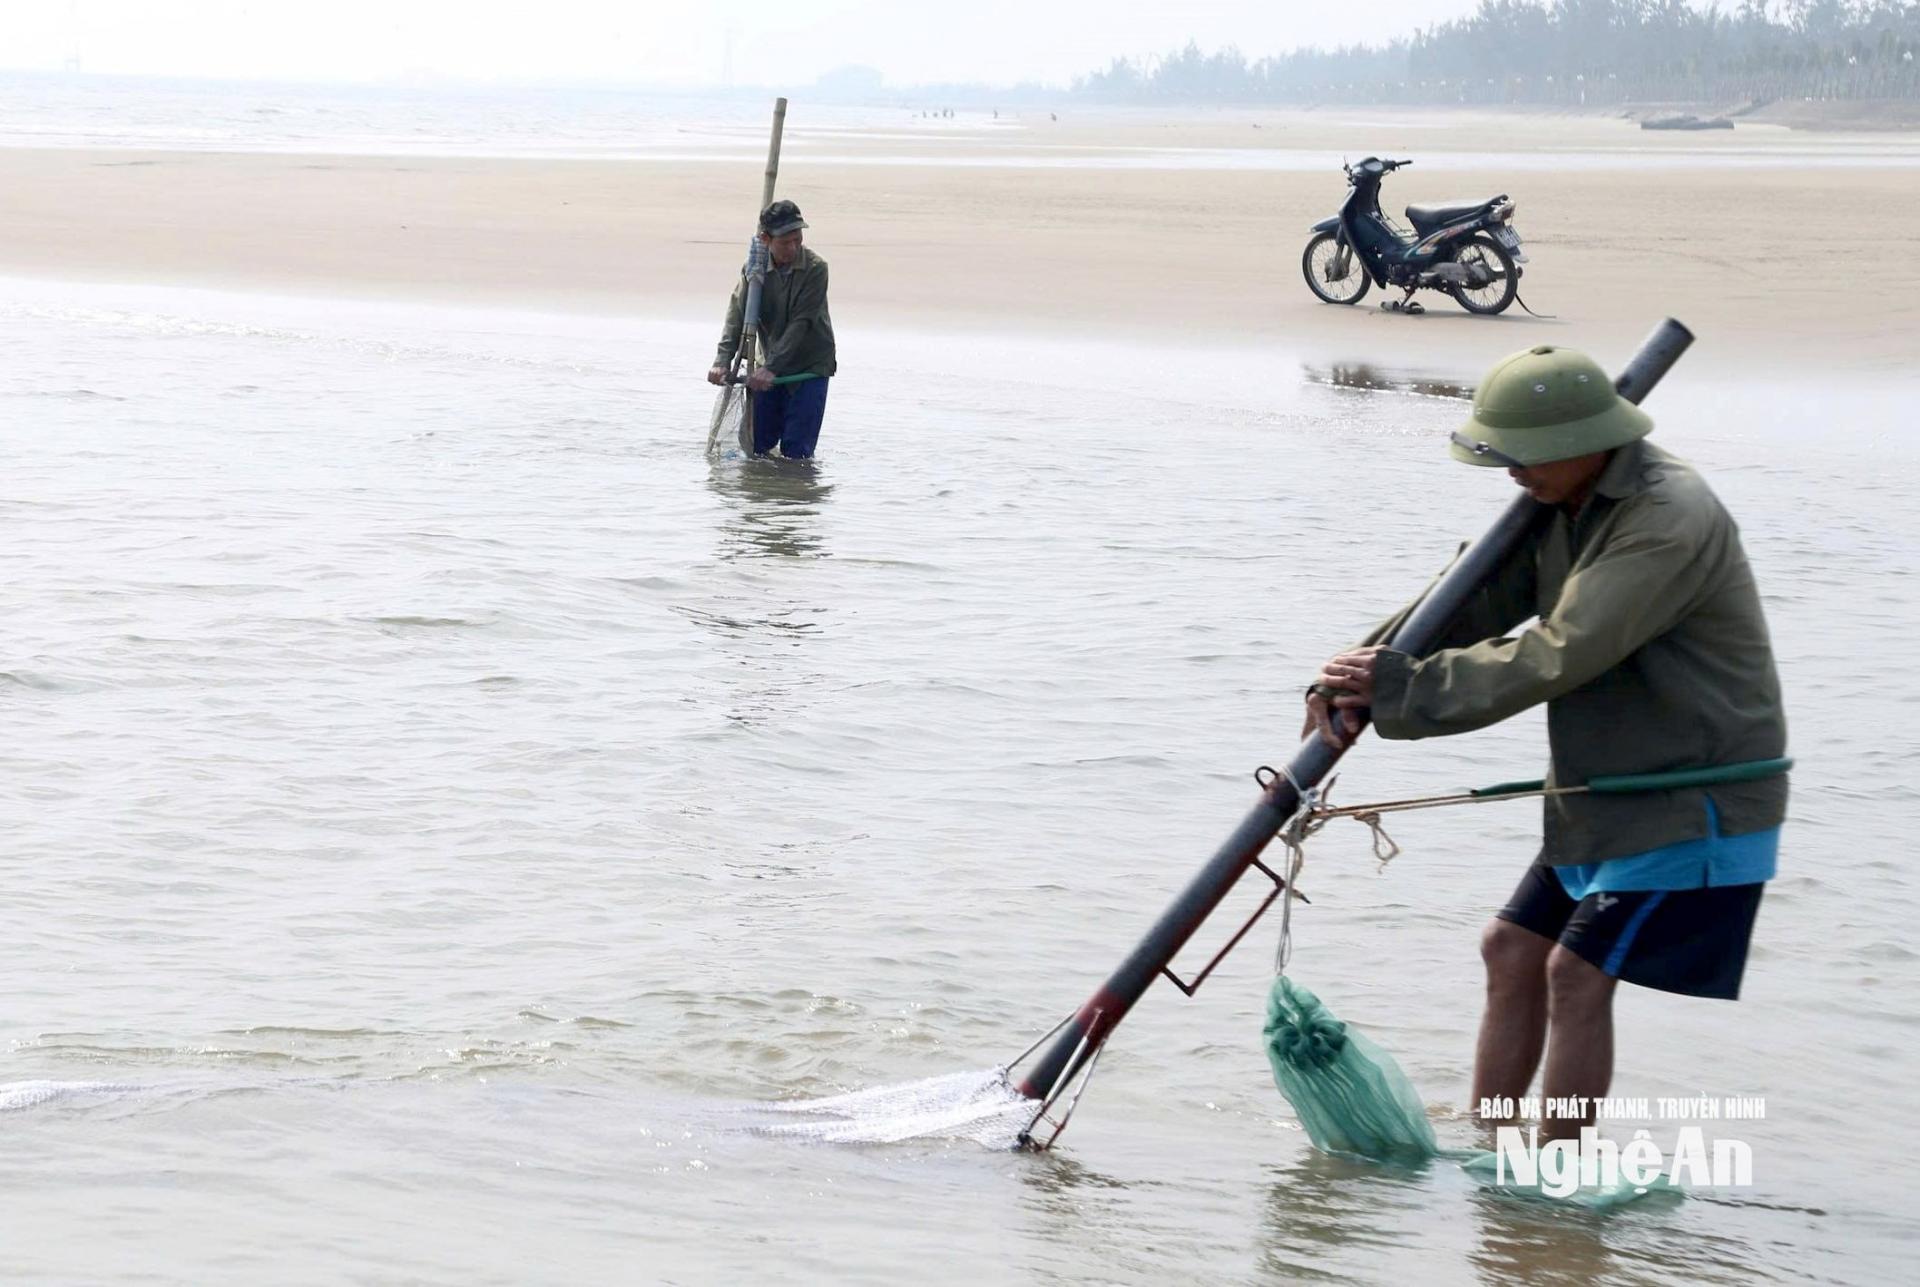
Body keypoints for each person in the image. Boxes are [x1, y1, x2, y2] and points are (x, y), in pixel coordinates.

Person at [1304, 344, 1788, 1143]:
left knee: (1577, 971)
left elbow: (1561, 649)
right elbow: (1474, 600)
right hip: (1602, 787)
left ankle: (1554, 1176)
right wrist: (1362, 667)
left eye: (1521, 455)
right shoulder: (1563, 501)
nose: (1509, 473)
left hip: (1691, 794)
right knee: (1510, 948)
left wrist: (1404, 691)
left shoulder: (1666, 518)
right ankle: (1491, 1143)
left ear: (1583, 442)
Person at [708, 199, 837, 459]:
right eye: (785, 242)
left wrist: (772, 368)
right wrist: (723, 360)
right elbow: (737, 314)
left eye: (797, 239)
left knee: (797, 454)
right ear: (766, 239)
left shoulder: (815, 269)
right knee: (757, 449)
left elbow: (801, 324)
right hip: (766, 364)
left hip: (808, 368)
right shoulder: (754, 269)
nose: (793, 247)